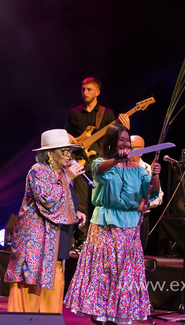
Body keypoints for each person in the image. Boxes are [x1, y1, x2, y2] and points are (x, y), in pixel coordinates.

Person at [64, 123, 160, 324]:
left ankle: (118, 314)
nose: (125, 144)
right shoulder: (101, 163)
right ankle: (99, 314)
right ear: (112, 143)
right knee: (105, 270)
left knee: (124, 273)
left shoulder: (139, 170)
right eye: (121, 140)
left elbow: (150, 193)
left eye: (127, 140)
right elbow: (99, 170)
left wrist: (156, 176)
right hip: (105, 225)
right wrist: (118, 159)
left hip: (129, 227)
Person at [5, 129, 86, 313]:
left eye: (69, 150)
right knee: (30, 287)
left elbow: (63, 200)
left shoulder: (63, 174)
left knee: (54, 282)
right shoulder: (38, 170)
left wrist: (76, 211)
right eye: (63, 150)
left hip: (56, 242)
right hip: (36, 243)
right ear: (49, 153)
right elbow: (48, 199)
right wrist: (68, 178)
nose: (68, 154)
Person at [64, 77, 129, 252]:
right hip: (81, 162)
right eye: (83, 89)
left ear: (98, 92)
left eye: (89, 89)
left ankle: (101, 239)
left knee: (101, 201)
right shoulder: (74, 113)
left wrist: (124, 127)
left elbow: (114, 137)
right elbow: (67, 135)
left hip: (100, 163)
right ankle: (82, 240)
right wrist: (69, 137)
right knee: (81, 202)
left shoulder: (107, 114)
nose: (85, 92)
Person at [129, 135, 164, 246]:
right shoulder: (119, 167)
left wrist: (147, 203)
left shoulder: (149, 169)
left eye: (131, 147)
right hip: (123, 216)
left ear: (141, 151)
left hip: (141, 217)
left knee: (139, 252)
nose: (127, 150)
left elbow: (159, 196)